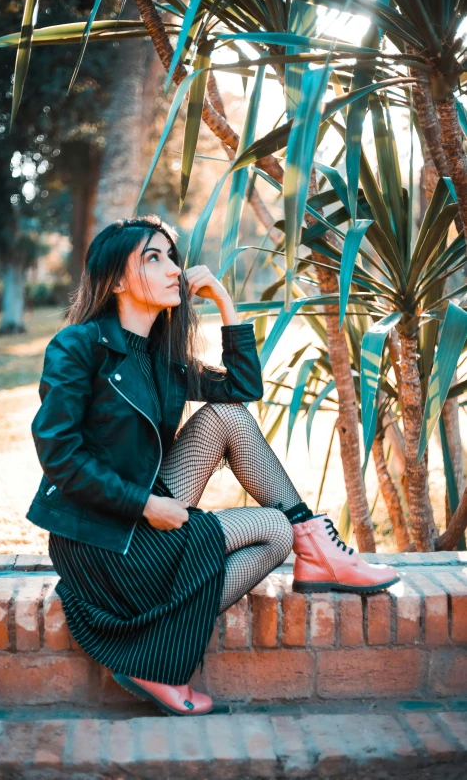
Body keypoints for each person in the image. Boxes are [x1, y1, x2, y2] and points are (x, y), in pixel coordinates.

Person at [26, 214, 399, 717]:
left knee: (227, 415)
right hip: (101, 538)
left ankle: (313, 542)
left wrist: (226, 305)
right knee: (274, 531)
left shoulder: (164, 356)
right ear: (116, 280)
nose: (171, 268)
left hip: (147, 511)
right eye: (152, 258)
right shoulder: (79, 346)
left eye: (171, 256)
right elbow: (59, 456)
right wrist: (145, 503)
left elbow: (242, 389)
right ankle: (152, 657)